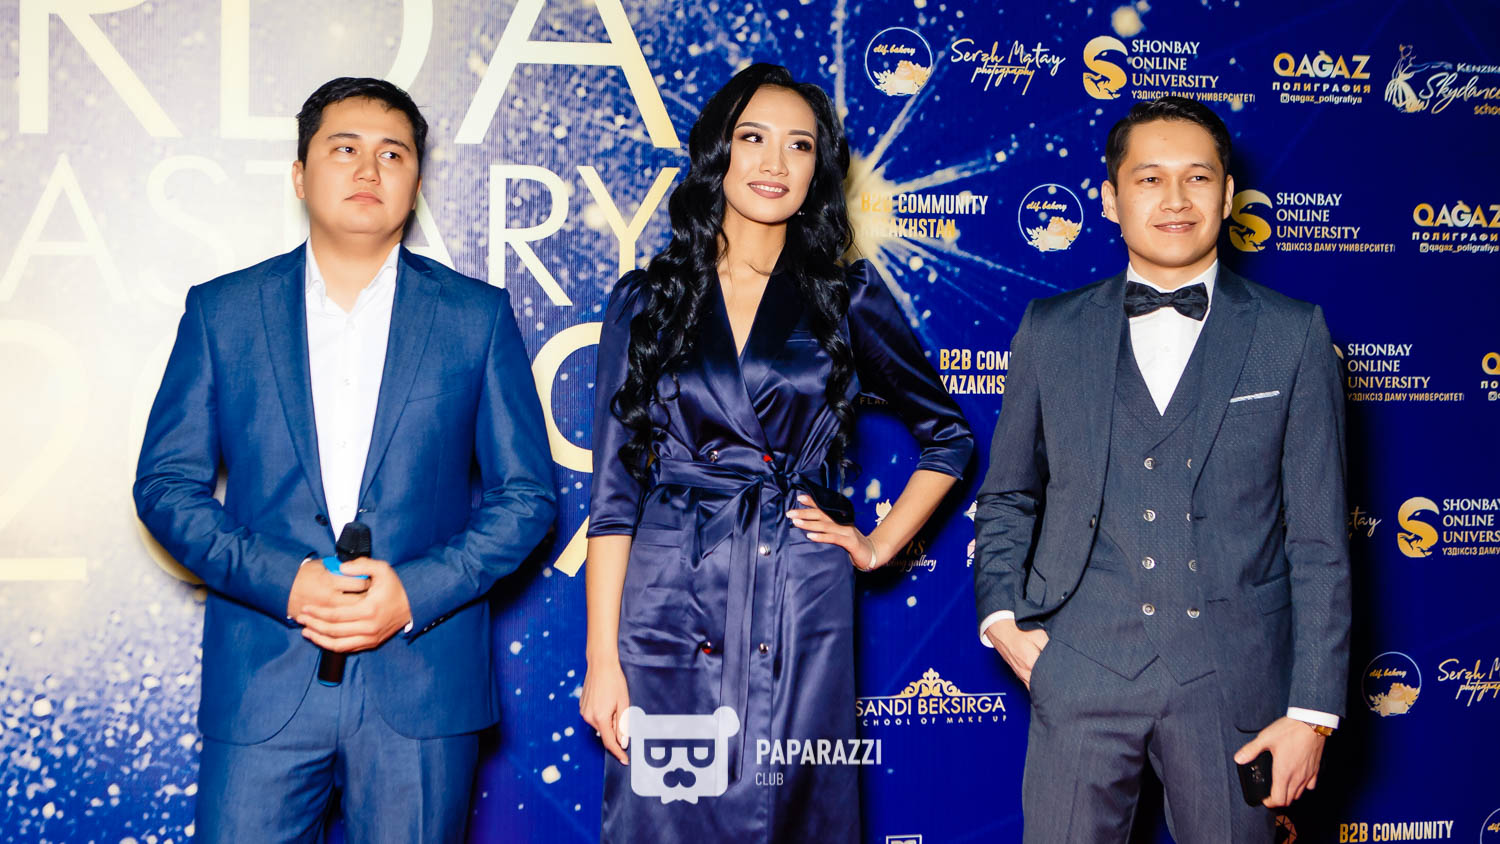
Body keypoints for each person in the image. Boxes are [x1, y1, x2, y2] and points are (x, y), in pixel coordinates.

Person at [134, 77, 556, 842]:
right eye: (344, 149)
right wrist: (286, 581)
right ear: (300, 175)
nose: (369, 169)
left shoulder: (477, 317)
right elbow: (166, 485)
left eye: (393, 154)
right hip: (263, 681)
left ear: (416, 183)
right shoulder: (223, 311)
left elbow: (526, 496)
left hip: (423, 687)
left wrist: (415, 592)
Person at [579, 63, 973, 842]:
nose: (774, 162)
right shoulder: (647, 300)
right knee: (666, 814)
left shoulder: (844, 296)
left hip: (798, 587)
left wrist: (875, 545)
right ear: (717, 151)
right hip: (668, 593)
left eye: (799, 145)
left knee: (794, 812)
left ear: (818, 168)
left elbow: (950, 435)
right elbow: (614, 496)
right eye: (753, 138)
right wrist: (601, 660)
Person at [974, 96, 1350, 843]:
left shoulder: (1292, 333)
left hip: (1234, 682)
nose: (1175, 199)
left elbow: (1318, 540)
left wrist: (1312, 713)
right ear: (1110, 198)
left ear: (1229, 195)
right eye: (1149, 179)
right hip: (1078, 666)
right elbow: (1008, 494)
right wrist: (1003, 619)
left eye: (1197, 177)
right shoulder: (1049, 330)